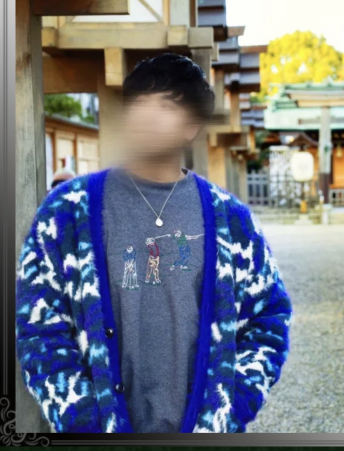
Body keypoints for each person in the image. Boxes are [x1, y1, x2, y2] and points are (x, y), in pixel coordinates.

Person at [15, 52, 293, 434]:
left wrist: (229, 409)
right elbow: (38, 324)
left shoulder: (231, 220)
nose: (146, 115)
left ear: (191, 125)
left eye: (165, 106)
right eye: (139, 102)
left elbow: (268, 317)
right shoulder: (67, 212)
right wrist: (83, 422)